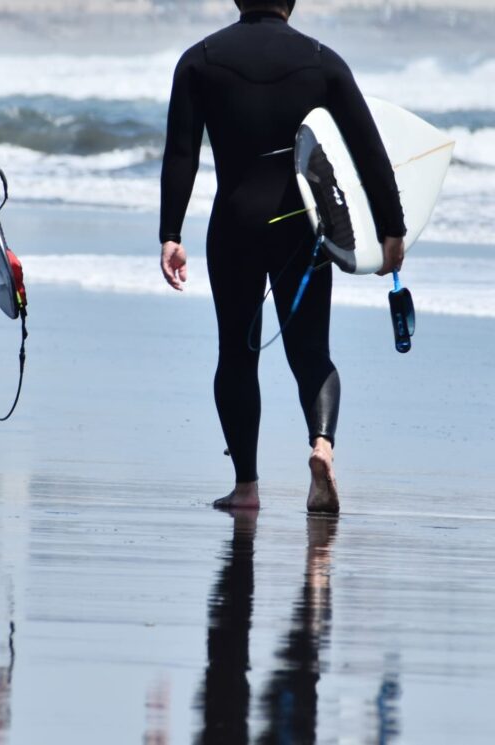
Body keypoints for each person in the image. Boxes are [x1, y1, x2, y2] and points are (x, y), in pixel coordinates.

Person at [159, 0, 406, 513]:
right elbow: (369, 150)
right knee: (311, 351)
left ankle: (246, 488)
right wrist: (392, 229)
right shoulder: (323, 61)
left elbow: (182, 152)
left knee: (236, 352)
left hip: (233, 224)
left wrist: (171, 232)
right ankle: (321, 446)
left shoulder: (200, 60)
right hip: (302, 227)